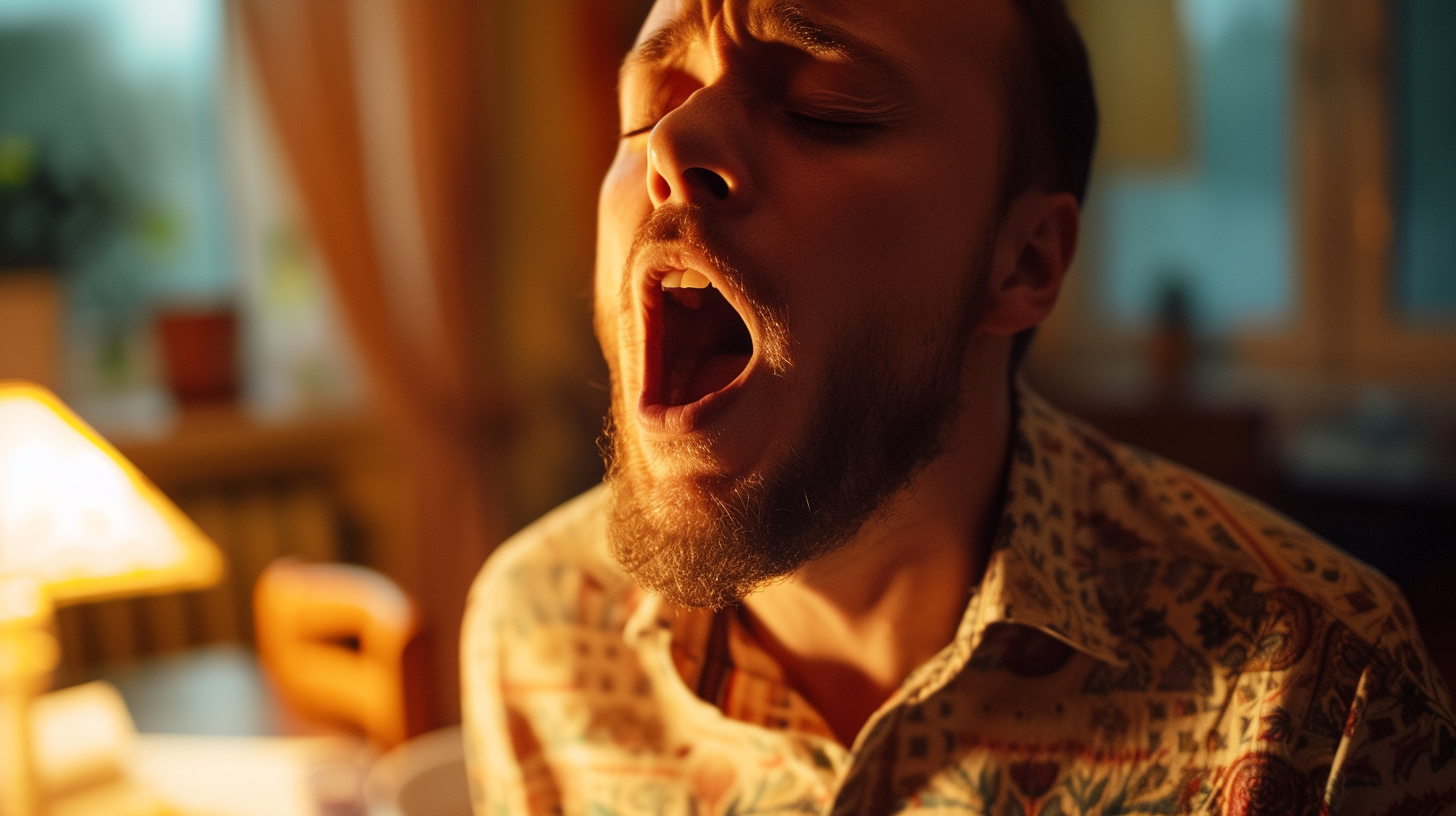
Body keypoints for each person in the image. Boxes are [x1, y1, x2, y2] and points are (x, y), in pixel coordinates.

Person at [462, 0, 1456, 813]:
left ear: (1022, 261)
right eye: (643, 109)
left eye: (824, 107)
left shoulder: (1313, 688)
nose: (671, 142)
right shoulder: (534, 627)